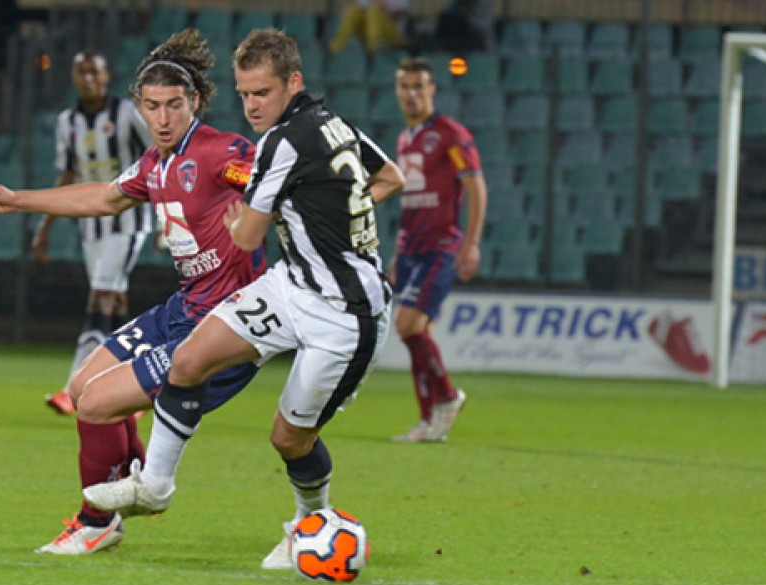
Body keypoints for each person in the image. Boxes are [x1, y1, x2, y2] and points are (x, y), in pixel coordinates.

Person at [82, 28, 405, 570]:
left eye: (264, 93)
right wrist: (332, 219)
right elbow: (389, 177)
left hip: (346, 316)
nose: (253, 105)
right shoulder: (336, 126)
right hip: (293, 285)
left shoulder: (281, 143)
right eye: (246, 93)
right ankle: (155, 485)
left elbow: (248, 236)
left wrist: (262, 223)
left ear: (293, 83)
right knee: (189, 358)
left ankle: (308, 525)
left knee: (289, 439)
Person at [0, 28, 266, 555]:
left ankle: (96, 521)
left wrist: (259, 217)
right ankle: (133, 476)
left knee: (96, 406)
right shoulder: (155, 164)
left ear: (193, 102)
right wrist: (17, 201)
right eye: (152, 107)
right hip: (183, 308)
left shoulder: (220, 152)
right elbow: (102, 197)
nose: (163, 118)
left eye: (174, 105)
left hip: (225, 327)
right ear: (140, 109)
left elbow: (273, 178)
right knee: (83, 387)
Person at [32, 50, 154, 417]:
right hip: (91, 223)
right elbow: (68, 174)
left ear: (105, 77)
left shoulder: (126, 115)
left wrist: (168, 217)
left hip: (128, 221)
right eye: (81, 72)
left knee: (99, 296)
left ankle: (75, 388)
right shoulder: (67, 121)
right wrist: (45, 225)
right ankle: (133, 391)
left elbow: (159, 158)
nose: (88, 79)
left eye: (94, 73)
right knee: (114, 303)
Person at [387, 56, 486, 443]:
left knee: (407, 325)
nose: (411, 94)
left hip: (442, 245)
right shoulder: (405, 139)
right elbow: (410, 200)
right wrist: (398, 252)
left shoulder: (450, 134)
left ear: (432, 90)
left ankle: (446, 397)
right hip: (412, 247)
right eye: (404, 86)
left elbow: (476, 187)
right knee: (415, 331)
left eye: (418, 86)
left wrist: (471, 243)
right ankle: (430, 420)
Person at [328, 0, 411, 54]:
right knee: (353, 10)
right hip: (368, 32)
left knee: (374, 10)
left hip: (394, 34)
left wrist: (382, 9)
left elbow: (399, 14)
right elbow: (360, 8)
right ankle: (335, 48)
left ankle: (373, 50)